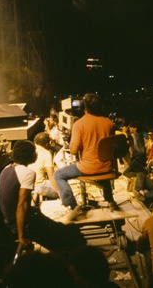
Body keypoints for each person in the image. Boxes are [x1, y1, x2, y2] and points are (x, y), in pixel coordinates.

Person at [0, 140, 86, 254]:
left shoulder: (7, 169)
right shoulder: (28, 173)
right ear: (29, 155)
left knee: (64, 229)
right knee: (69, 236)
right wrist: (21, 235)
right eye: (34, 152)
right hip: (26, 224)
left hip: (14, 221)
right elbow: (22, 205)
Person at [54, 93, 118, 222]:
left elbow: (73, 151)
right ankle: (110, 200)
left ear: (84, 107)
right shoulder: (109, 123)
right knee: (101, 165)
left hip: (88, 168)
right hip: (107, 167)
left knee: (58, 175)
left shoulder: (79, 124)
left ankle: (72, 206)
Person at [29, 132, 59, 201]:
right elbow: (51, 176)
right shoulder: (46, 153)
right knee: (64, 189)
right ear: (46, 144)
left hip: (29, 184)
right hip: (39, 186)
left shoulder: (30, 150)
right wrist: (60, 192)